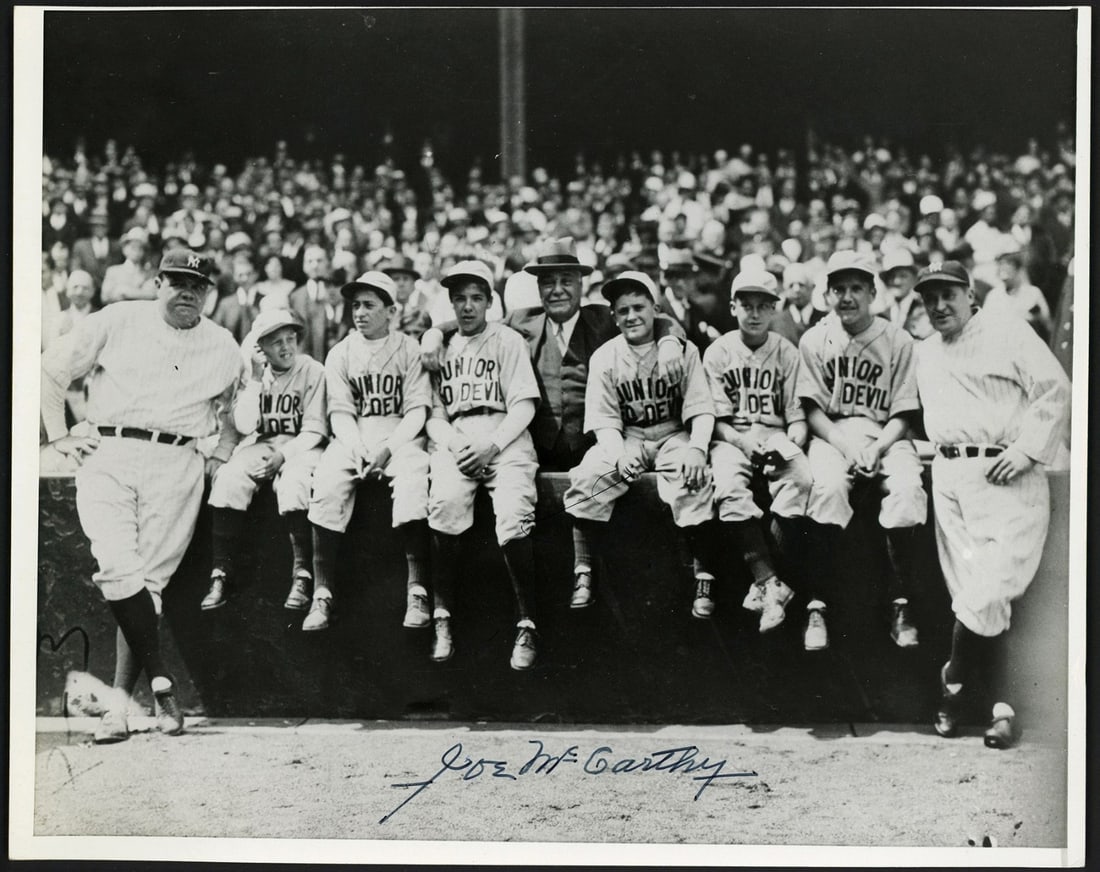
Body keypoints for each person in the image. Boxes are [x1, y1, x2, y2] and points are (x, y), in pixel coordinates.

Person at [40, 249, 242, 743]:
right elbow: (50, 370)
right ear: (157, 282)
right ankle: (162, 682)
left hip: (177, 464)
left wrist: (221, 454)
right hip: (109, 451)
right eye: (177, 282)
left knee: (145, 586)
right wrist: (56, 434)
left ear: (208, 293)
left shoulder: (222, 343)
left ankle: (118, 709)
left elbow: (235, 410)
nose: (187, 293)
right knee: (116, 566)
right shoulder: (117, 318)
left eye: (197, 285)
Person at [420, 236, 686, 609]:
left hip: (596, 451)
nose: (557, 290)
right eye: (548, 282)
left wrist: (671, 341)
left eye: (566, 281)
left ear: (580, 285)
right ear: (538, 287)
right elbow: (469, 319)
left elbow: (661, 320)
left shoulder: (601, 319)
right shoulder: (521, 322)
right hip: (541, 457)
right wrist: (434, 333)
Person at [914, 260, 1069, 748]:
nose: (939, 306)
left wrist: (1026, 449)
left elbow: (1056, 389)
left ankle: (953, 683)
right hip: (951, 477)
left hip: (1008, 473)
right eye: (930, 297)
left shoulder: (1006, 331)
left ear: (970, 296)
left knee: (989, 588)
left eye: (949, 295)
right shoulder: (926, 351)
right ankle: (1003, 709)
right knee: (980, 598)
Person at [564, 270, 724, 620]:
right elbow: (604, 421)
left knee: (695, 477)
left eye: (639, 307)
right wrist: (619, 455)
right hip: (629, 434)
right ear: (614, 316)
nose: (632, 316)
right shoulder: (605, 357)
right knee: (588, 475)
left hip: (672, 432)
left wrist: (698, 446)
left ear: (655, 309)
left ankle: (704, 575)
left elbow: (700, 407)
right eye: (623, 311)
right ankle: (583, 571)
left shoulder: (682, 349)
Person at [796, 251, 928, 651]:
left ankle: (900, 602)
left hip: (886, 433)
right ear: (827, 294)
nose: (848, 297)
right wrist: (844, 444)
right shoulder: (814, 338)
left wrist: (879, 447)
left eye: (857, 288)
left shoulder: (898, 339)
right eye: (839, 289)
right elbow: (812, 409)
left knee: (907, 489)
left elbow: (905, 411)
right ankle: (816, 604)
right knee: (827, 486)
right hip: (832, 433)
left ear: (873, 292)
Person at [424, 260, 542, 669]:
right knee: (444, 501)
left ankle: (527, 622)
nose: (468, 306)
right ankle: (442, 617)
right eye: (460, 299)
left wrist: (491, 446)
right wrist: (456, 445)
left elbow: (524, 404)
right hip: (457, 435)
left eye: (477, 298)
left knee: (513, 511)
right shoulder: (440, 348)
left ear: (491, 302)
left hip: (503, 434)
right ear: (451, 303)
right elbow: (433, 414)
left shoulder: (507, 339)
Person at [304, 271, 432, 632]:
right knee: (327, 482)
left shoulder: (409, 348)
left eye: (369, 305)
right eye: (356, 305)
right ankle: (322, 591)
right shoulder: (340, 352)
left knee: (412, 481)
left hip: (400, 435)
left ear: (391, 311)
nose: (359, 312)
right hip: (354, 436)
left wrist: (388, 449)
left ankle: (417, 589)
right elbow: (341, 413)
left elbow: (417, 411)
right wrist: (360, 449)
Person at [702, 267, 811, 630]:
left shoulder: (787, 351)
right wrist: (741, 442)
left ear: (773, 309)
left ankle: (768, 581)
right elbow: (714, 419)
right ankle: (768, 579)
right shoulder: (718, 352)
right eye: (745, 305)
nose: (753, 313)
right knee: (729, 486)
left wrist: (793, 441)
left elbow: (797, 417)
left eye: (762, 306)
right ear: (732, 308)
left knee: (801, 476)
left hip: (776, 433)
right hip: (734, 435)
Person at [200, 309, 327, 613]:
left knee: (295, 482)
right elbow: (244, 425)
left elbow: (315, 430)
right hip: (265, 443)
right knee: (229, 478)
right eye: (276, 342)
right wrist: (256, 380)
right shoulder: (254, 377)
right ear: (261, 348)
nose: (286, 347)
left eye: (291, 339)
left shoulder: (312, 370)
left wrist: (284, 456)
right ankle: (221, 572)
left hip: (301, 445)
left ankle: (302, 574)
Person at [289, 245, 349, 362]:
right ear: (304, 266)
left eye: (319, 261)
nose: (315, 265)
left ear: (328, 263)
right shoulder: (296, 296)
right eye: (310, 261)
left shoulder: (337, 291)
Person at [879, 249, 932, 339]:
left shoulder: (922, 310)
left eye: (903, 276)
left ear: (914, 279)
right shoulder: (883, 315)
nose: (896, 281)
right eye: (892, 277)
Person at [100, 227, 156, 304]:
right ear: (124, 249)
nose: (136, 251)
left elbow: (152, 295)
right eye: (133, 247)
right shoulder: (113, 271)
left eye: (140, 248)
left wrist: (124, 291)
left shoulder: (150, 273)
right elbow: (105, 297)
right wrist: (141, 293)